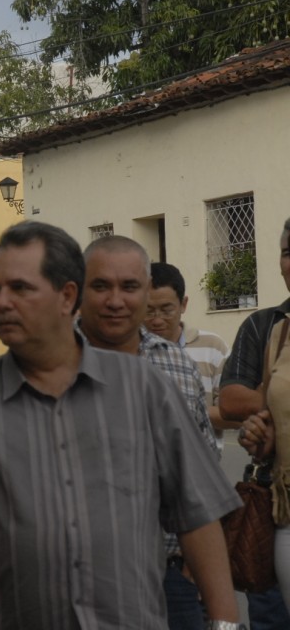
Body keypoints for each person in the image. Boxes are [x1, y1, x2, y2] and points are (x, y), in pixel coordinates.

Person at [0, 220, 241, 630]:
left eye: (20, 288)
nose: (1, 302)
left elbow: (196, 513)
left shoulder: (146, 391)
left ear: (66, 295)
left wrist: (225, 622)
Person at [76, 236, 219, 630]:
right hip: (74, 581)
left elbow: (204, 466)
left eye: (130, 286)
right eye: (101, 285)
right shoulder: (50, 362)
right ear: (76, 289)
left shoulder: (174, 361)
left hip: (171, 574)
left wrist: (196, 568)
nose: (116, 300)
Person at [224, 217, 290, 624]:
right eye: (287, 252)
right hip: (280, 511)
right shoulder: (267, 326)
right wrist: (269, 423)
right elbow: (232, 400)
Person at [146, 261, 236, 447]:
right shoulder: (128, 350)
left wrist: (184, 408)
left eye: (166, 310)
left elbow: (234, 416)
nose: (157, 320)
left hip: (202, 465)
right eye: (148, 311)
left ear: (183, 304)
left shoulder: (213, 347)